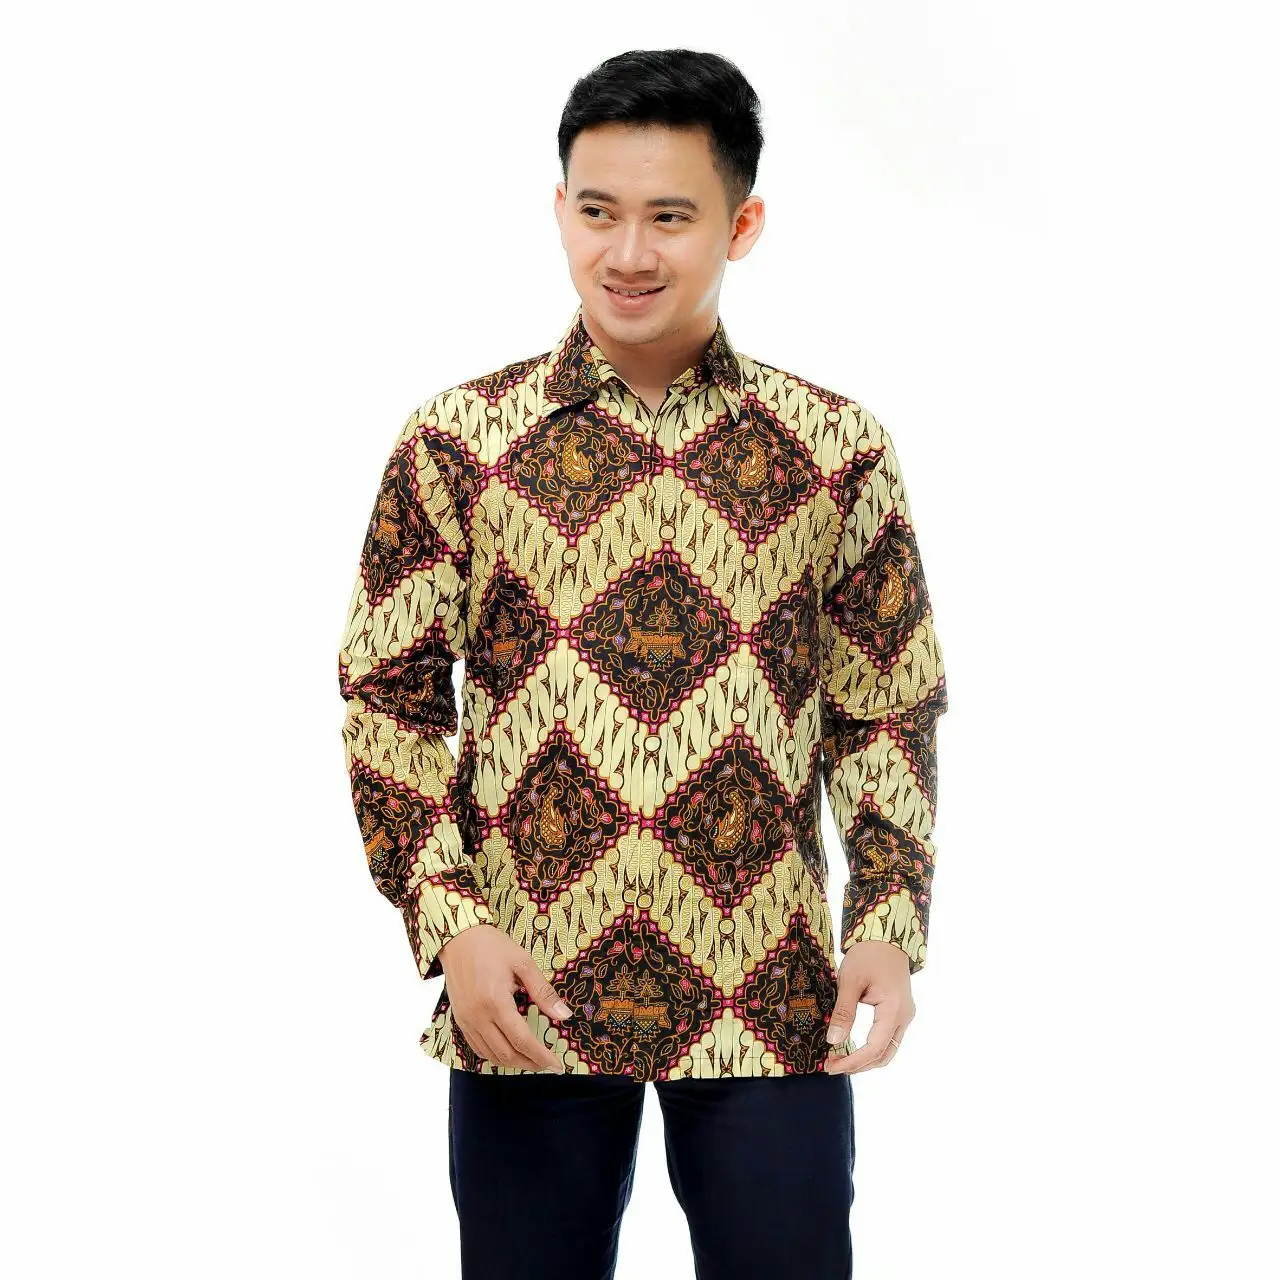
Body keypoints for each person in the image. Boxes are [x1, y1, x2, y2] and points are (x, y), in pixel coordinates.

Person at [337, 46, 948, 1280]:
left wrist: (886, 922)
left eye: (669, 216)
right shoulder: (458, 442)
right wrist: (450, 922)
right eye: (596, 210)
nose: (626, 252)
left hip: (770, 990)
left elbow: (883, 702)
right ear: (559, 209)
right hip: (526, 986)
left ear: (740, 225)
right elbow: (387, 693)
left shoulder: (832, 448)